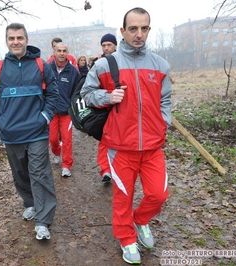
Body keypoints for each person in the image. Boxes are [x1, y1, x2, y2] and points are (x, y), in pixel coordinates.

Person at [81, 7, 172, 264]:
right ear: (123, 31)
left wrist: (163, 123)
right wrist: (107, 97)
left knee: (158, 195)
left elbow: (165, 100)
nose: (139, 34)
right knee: (123, 197)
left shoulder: (160, 65)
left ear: (149, 30)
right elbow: (86, 95)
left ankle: (139, 220)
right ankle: (127, 238)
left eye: (144, 28)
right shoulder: (105, 65)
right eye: (133, 28)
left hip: (153, 146)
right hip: (120, 146)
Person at [0, 22, 58, 241]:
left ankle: (43, 221)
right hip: (10, 133)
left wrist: (44, 117)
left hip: (37, 133)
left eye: (19, 38)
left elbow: (53, 94)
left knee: (39, 173)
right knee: (20, 174)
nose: (16, 42)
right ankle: (31, 203)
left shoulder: (41, 65)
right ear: (7, 41)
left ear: (26, 39)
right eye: (11, 38)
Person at [49, 42, 80, 177]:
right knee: (53, 138)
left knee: (67, 139)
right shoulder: (47, 69)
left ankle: (66, 165)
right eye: (59, 50)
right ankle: (56, 152)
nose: (61, 53)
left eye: (64, 51)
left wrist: (73, 108)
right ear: (54, 52)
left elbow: (77, 91)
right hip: (51, 111)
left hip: (66, 112)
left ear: (68, 53)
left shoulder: (73, 71)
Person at [94, 33, 118, 184]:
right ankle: (105, 171)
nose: (106, 48)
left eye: (109, 45)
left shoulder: (124, 62)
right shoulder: (98, 64)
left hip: (123, 108)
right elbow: (90, 89)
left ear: (115, 45)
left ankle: (117, 169)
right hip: (104, 108)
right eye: (104, 45)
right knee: (104, 140)